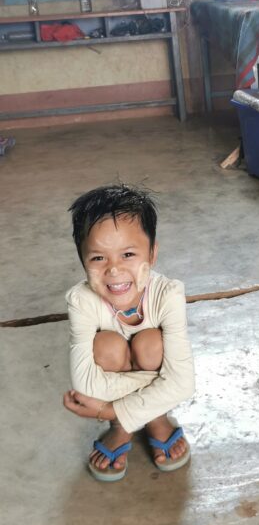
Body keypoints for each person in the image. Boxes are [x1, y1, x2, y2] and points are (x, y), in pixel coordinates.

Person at [62, 183, 195, 482]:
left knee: (151, 343)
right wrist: (165, 383)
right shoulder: (81, 300)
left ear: (152, 253)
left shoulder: (168, 295)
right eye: (98, 258)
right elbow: (86, 387)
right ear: (82, 260)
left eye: (128, 254)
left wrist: (107, 411)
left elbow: (183, 386)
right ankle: (141, 417)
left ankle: (138, 420)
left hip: (127, 380)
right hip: (122, 364)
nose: (114, 269)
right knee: (106, 346)